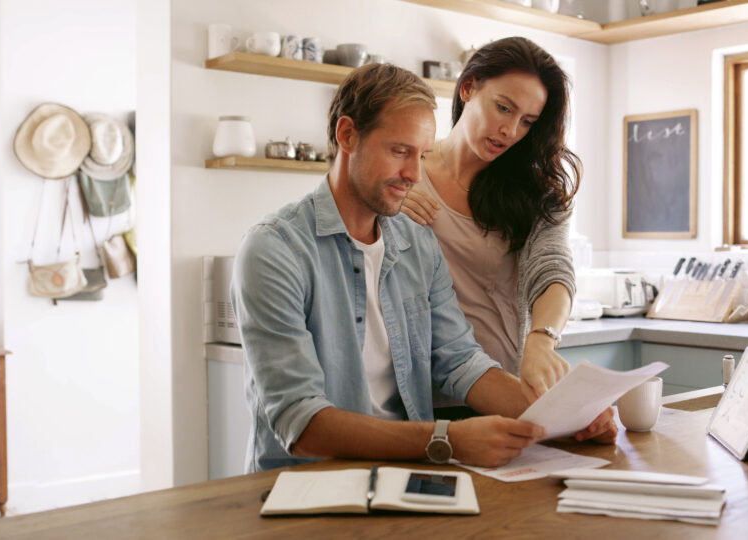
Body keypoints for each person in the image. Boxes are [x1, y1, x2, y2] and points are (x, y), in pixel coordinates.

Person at [232, 63, 616, 472]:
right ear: (347, 136)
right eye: (400, 152)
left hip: (406, 474)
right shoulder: (274, 249)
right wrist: (444, 439)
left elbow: (461, 361)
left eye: (422, 155)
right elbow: (301, 422)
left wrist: (570, 416)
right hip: (306, 485)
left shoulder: (416, 242)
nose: (414, 175)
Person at [400, 37, 581, 404]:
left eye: (527, 121)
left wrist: (543, 339)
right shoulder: (403, 175)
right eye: (503, 108)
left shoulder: (535, 195)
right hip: (413, 399)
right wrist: (386, 199)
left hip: (501, 393)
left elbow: (553, 268)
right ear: (468, 88)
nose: (511, 131)